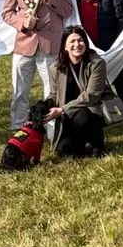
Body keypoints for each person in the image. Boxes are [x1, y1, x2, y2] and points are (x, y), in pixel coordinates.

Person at [2, 0, 75, 131]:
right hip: (24, 44)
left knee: (51, 91)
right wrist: (23, 22)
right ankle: (18, 129)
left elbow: (68, 10)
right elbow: (7, 13)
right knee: (19, 91)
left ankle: (51, 130)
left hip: (50, 44)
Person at [46, 23, 113, 157]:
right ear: (65, 47)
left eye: (81, 40)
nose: (77, 44)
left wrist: (62, 110)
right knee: (64, 152)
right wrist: (43, 109)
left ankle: (97, 143)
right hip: (67, 116)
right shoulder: (55, 67)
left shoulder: (97, 63)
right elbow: (54, 94)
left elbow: (92, 96)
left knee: (82, 117)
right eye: (72, 41)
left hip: (90, 110)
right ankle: (79, 142)